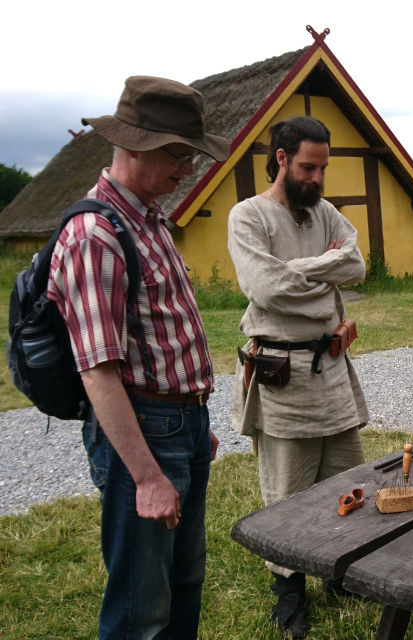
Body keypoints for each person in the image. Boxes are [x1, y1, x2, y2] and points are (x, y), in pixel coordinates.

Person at [47, 76, 229, 639]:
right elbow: (97, 371)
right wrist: (146, 475)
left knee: (185, 581)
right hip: (144, 432)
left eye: (193, 157)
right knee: (141, 609)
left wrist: (196, 418)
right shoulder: (94, 234)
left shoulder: (146, 218)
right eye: (180, 154)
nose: (189, 170)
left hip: (181, 424)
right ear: (135, 144)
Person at [228, 116, 369, 638]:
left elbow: (354, 266)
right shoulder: (248, 217)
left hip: (331, 366)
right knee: (286, 488)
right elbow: (264, 289)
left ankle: (343, 570)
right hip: (281, 371)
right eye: (309, 167)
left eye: (323, 168)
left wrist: (300, 273)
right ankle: (289, 591)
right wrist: (320, 268)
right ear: (282, 159)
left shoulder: (325, 211)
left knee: (347, 476)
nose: (317, 178)